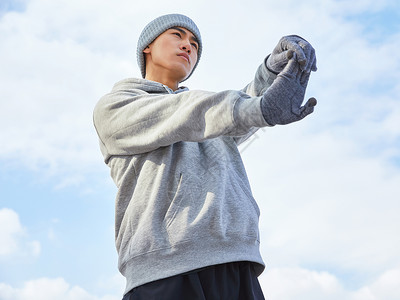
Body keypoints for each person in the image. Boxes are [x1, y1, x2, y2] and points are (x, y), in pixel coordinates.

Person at [93, 13, 317, 300]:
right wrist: (259, 110)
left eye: (195, 44)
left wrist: (272, 71)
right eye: (177, 35)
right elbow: (192, 111)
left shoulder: (211, 116)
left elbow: (238, 107)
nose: (188, 46)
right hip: (165, 270)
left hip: (238, 264)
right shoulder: (116, 106)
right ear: (147, 46)